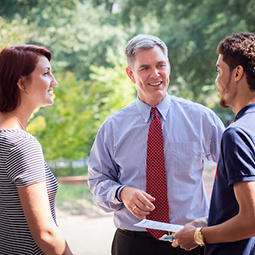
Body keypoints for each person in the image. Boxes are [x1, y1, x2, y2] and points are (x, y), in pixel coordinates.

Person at [88, 34, 225, 255]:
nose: (155, 74)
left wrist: (215, 220)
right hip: (132, 244)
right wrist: (121, 192)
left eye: (160, 65)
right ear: (131, 74)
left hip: (188, 241)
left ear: (168, 67)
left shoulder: (202, 119)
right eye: (144, 68)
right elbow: (97, 183)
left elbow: (236, 172)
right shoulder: (112, 127)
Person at [173, 32, 255, 254]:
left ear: (237, 73)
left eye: (219, 71)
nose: (216, 80)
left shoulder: (237, 134)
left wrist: (198, 236)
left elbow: (251, 220)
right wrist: (212, 220)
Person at [0, 45, 73, 255]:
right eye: (46, 73)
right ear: (22, 83)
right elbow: (46, 234)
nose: (54, 81)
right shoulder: (21, 143)